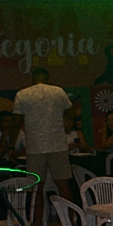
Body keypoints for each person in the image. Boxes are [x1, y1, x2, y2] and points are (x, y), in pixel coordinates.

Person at [14, 67, 75, 203]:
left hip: (35, 147)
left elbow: (16, 122)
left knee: (36, 188)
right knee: (63, 185)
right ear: (48, 79)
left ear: (32, 79)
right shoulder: (58, 92)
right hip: (58, 145)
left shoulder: (22, 94)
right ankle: (69, 215)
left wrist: (12, 146)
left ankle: (38, 216)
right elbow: (71, 112)